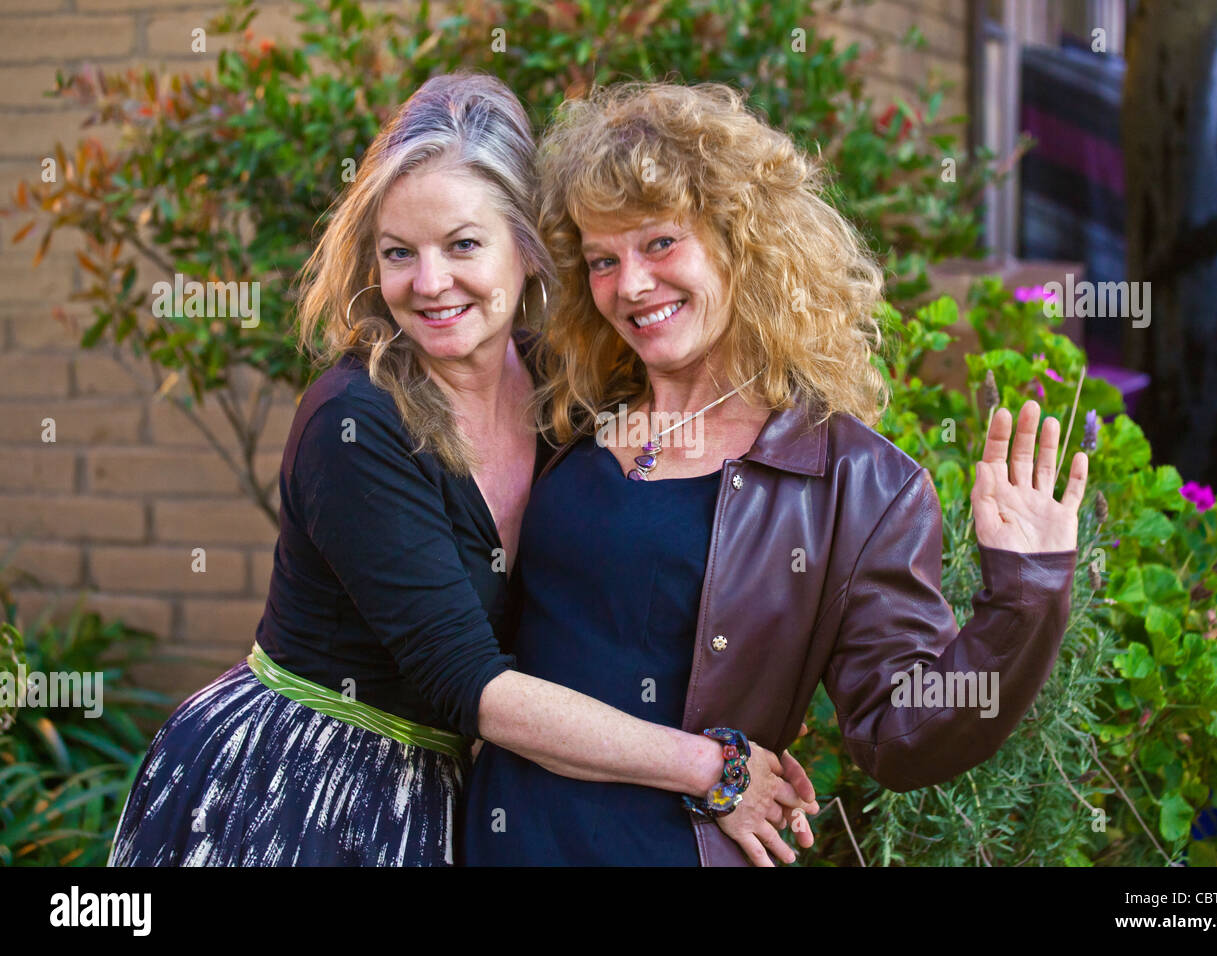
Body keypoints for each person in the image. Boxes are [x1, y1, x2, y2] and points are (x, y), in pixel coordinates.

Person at [108, 73, 816, 868]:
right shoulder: (355, 422)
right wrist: (711, 769)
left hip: (468, 793)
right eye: (399, 254)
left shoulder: (568, 393)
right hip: (302, 788)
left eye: (464, 245)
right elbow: (473, 685)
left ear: (530, 247)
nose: (430, 283)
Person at [462, 82, 1089, 867]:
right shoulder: (565, 412)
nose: (630, 285)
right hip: (500, 839)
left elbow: (901, 731)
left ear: (739, 239)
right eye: (602, 260)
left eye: (660, 244)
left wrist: (1025, 597)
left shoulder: (855, 483)